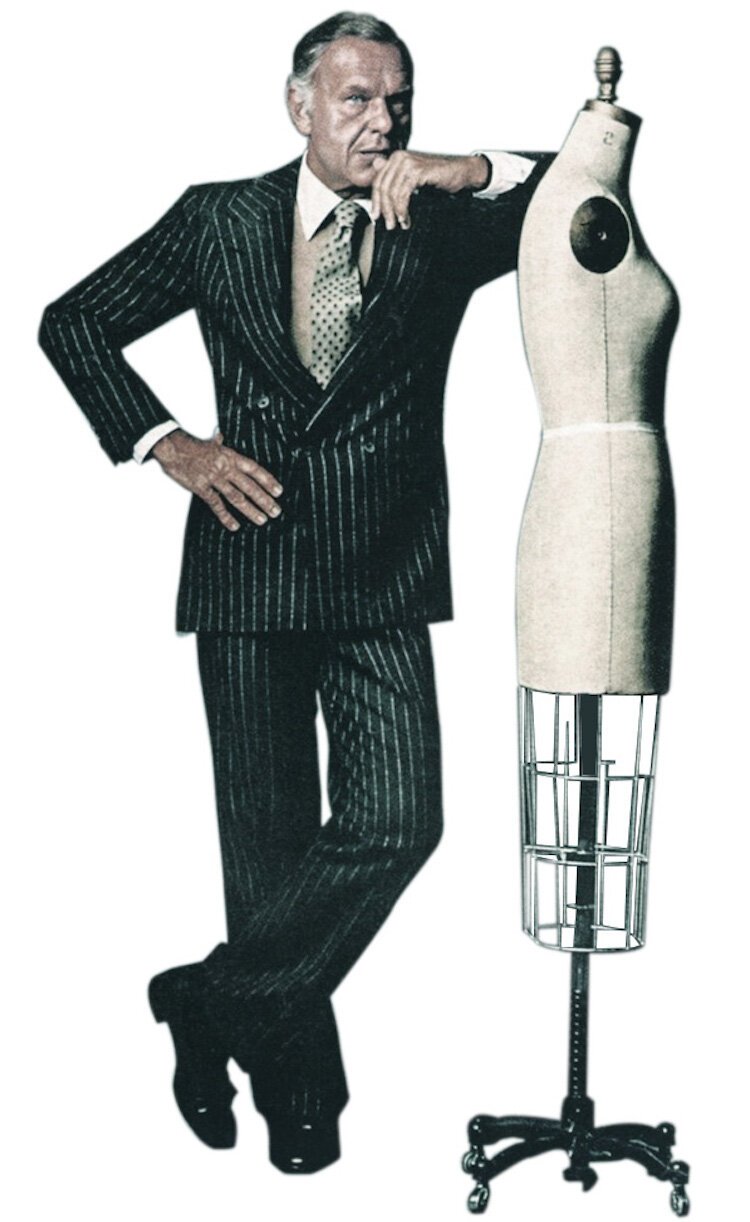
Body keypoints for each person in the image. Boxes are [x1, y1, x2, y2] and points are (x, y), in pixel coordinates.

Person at [39, 11, 550, 1175]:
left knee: (399, 821)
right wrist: (171, 445)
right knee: (267, 852)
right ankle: (301, 1098)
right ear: (300, 107)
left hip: (383, 572)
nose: (384, 121)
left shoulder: (440, 224)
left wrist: (469, 167)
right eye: (358, 98)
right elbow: (75, 324)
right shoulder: (218, 218)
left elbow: (587, 182)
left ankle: (204, 999)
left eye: (399, 100)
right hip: (246, 566)